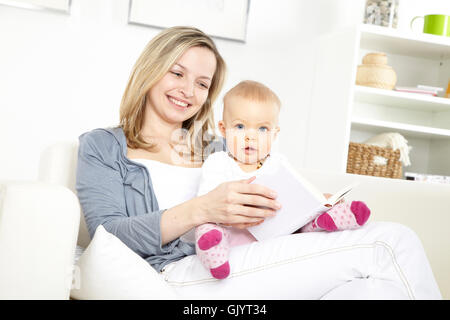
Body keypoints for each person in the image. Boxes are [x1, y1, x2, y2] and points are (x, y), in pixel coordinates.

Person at [76, 26, 442, 299]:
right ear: (151, 70)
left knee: (374, 289)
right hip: (177, 273)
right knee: (391, 244)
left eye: (202, 84)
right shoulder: (103, 146)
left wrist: (307, 207)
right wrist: (202, 209)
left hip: (248, 260)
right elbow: (109, 237)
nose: (188, 91)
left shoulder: (222, 145)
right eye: (177, 73)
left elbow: (266, 216)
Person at [193, 80, 371, 279]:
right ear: (223, 129)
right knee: (207, 227)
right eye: (240, 126)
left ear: (275, 134)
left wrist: (322, 200)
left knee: (304, 214)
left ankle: (325, 219)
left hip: (274, 237)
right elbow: (205, 205)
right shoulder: (218, 162)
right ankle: (213, 252)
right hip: (231, 234)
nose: (250, 137)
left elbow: (299, 193)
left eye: (262, 129)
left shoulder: (277, 163)